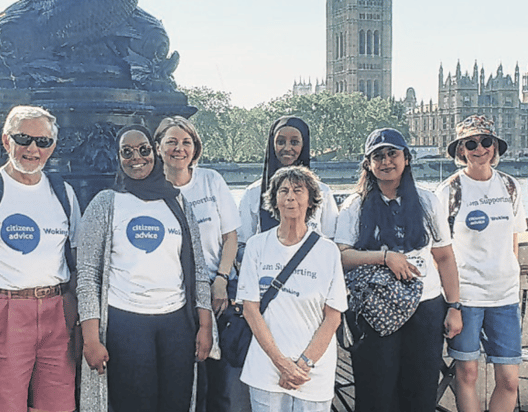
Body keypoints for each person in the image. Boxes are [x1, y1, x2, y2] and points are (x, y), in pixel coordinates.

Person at [76, 124, 212, 412]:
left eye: (143, 150)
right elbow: (87, 276)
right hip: (126, 323)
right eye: (127, 151)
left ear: (155, 152)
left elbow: (198, 268)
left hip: (176, 322)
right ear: (118, 157)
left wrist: (205, 325)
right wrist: (91, 339)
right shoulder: (105, 204)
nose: (136, 157)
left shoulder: (177, 202)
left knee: (176, 402)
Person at [0, 106, 80, 412]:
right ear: (6, 140)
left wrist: (75, 322)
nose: (33, 149)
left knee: (58, 407)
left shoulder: (63, 192)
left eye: (43, 142)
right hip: (2, 313)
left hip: (57, 314)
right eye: (23, 138)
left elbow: (76, 263)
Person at [335, 127, 462, 412]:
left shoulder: (427, 201)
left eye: (392, 153)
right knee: (375, 393)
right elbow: (341, 256)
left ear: (406, 158)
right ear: (368, 164)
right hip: (375, 310)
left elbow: (444, 257)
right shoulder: (356, 206)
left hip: (425, 307)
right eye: (377, 156)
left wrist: (454, 306)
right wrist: (384, 257)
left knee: (420, 391)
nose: (386, 162)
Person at [435, 115, 526, 412]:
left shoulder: (510, 187)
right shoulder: (449, 191)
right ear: (461, 150)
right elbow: (439, 251)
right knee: (467, 373)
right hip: (467, 297)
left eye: (486, 141)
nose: (479, 148)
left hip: (505, 296)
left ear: (495, 146)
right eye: (470, 143)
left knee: (509, 379)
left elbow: (514, 240)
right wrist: (453, 303)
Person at [237, 165, 347, 411]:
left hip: (313, 370)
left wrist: (304, 364)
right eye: (283, 191)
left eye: (298, 190)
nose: (290, 197)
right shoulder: (256, 246)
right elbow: (250, 310)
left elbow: (333, 317)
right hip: (267, 366)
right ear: (274, 200)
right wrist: (281, 363)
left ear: (311, 200)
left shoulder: (327, 251)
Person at [153, 116, 241, 412]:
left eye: (186, 142)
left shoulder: (211, 180)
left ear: (195, 148)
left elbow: (230, 237)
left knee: (218, 383)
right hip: (174, 296)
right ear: (158, 147)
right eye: (172, 142)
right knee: (182, 379)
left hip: (215, 291)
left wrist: (221, 280)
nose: (179, 149)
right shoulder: (150, 190)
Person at [238, 116, 338, 251]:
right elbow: (242, 243)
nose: (287, 148)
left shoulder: (322, 192)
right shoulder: (253, 193)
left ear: (304, 145)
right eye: (280, 142)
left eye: (294, 142)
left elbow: (331, 240)